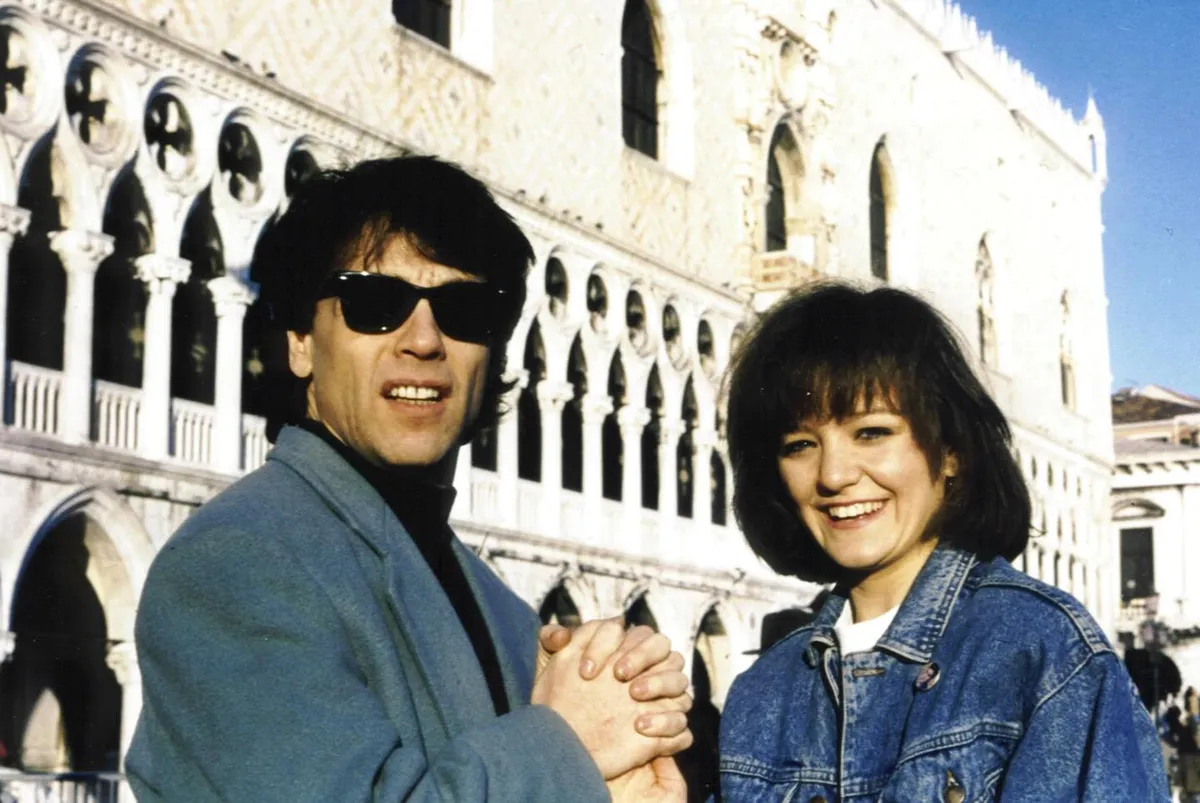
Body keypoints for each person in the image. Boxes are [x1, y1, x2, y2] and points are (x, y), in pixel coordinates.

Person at [127, 156, 693, 802]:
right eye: (375, 303)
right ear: (301, 341)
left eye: (464, 309)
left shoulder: (505, 613)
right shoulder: (236, 564)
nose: (423, 340)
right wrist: (569, 738)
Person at [717, 282, 1169, 801]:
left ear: (951, 451)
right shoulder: (762, 694)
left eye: (871, 433)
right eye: (800, 444)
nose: (833, 475)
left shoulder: (1039, 651)